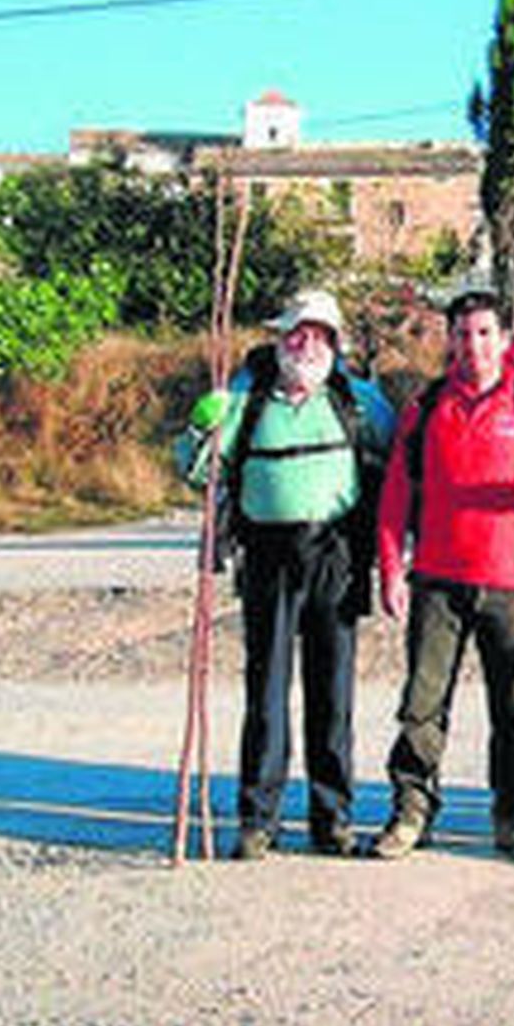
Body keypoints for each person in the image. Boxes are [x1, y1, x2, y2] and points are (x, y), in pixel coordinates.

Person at [180, 289, 395, 860]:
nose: (307, 343)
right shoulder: (244, 399)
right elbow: (197, 473)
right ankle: (258, 820)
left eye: (319, 334)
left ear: (335, 343)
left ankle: (332, 819)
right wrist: (200, 430)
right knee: (267, 691)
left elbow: (397, 462)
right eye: (297, 332)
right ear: (280, 338)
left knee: (333, 693)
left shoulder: (360, 401)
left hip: (337, 554)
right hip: (267, 555)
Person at [370, 289, 514, 862]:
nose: (473, 345)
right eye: (462, 334)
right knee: (422, 704)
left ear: (505, 341)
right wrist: (391, 566)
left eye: (485, 333)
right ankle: (412, 811)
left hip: (513, 580)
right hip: (437, 578)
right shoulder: (427, 406)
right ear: (450, 340)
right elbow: (397, 492)